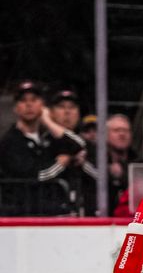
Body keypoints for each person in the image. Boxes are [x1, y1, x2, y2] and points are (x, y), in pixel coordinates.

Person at [0, 81, 84, 216]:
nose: (29, 105)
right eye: (23, 101)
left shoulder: (45, 139)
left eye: (34, 100)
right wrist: (60, 163)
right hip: (21, 216)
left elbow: (79, 146)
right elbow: (34, 177)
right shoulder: (10, 141)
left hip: (48, 213)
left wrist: (49, 122)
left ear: (42, 105)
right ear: (16, 108)